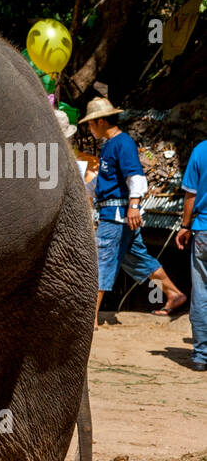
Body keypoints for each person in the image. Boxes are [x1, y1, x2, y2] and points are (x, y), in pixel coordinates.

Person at [80, 97, 186, 325]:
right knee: (137, 258)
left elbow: (135, 175)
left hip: (116, 216)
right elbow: (105, 180)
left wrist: (134, 206)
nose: (88, 128)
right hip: (117, 214)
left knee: (102, 260)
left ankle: (91, 317)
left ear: (99, 121)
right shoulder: (109, 145)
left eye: (90, 123)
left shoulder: (122, 143)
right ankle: (173, 293)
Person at [175, 138, 207, 370]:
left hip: (203, 231)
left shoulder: (201, 150)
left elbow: (191, 195)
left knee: (201, 293)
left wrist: (185, 226)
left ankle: (201, 355)